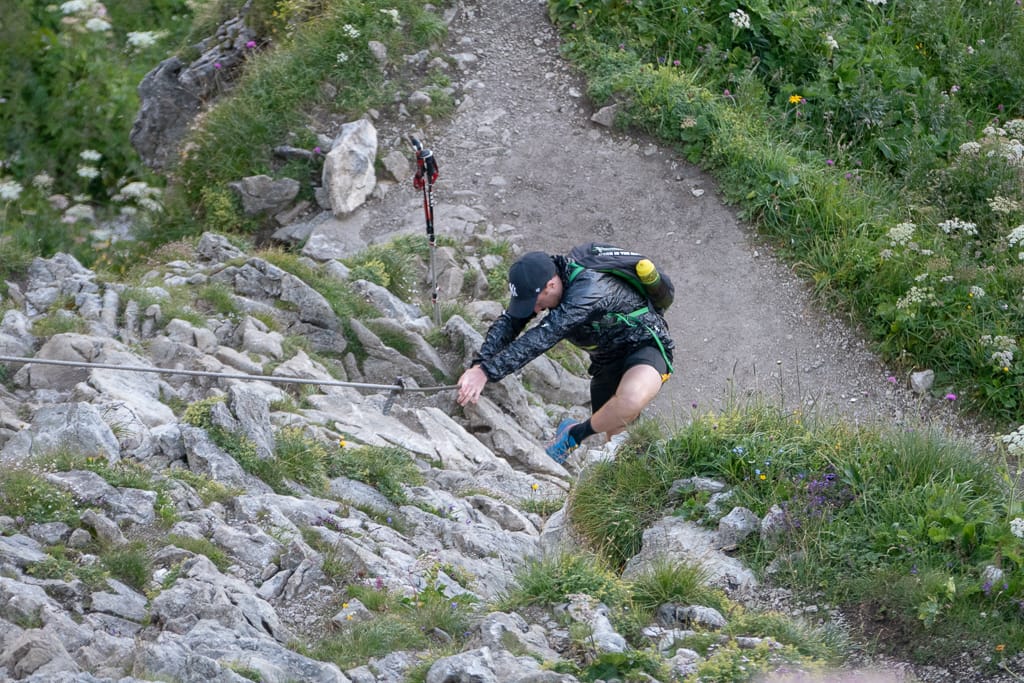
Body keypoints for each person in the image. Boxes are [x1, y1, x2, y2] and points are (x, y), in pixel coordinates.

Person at [456, 249, 674, 463]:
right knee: (625, 451)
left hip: (645, 344)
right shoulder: (549, 285)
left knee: (631, 399)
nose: (535, 309)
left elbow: (544, 335)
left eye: (536, 301)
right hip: (605, 362)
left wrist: (488, 372)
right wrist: (479, 365)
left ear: (551, 285)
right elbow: (511, 321)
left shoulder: (588, 288)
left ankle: (575, 434)